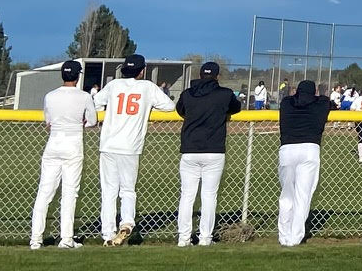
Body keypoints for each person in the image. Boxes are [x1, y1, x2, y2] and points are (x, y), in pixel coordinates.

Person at [93, 54, 175, 246]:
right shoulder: (147, 87)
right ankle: (127, 222)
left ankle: (107, 233)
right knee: (128, 189)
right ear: (142, 71)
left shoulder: (114, 85)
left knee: (109, 191)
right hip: (130, 146)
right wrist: (148, 108)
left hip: (108, 144)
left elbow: (95, 103)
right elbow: (169, 106)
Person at [30, 60, 93, 249]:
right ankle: (66, 239)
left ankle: (36, 239)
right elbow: (92, 121)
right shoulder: (84, 96)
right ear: (78, 77)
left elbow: (48, 121)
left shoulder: (50, 96)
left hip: (53, 144)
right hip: (73, 145)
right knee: (69, 193)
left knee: (44, 192)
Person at [176, 61, 240, 247]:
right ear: (217, 76)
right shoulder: (224, 94)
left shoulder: (188, 93)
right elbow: (236, 107)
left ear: (200, 75)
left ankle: (183, 238)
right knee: (209, 196)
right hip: (214, 150)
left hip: (190, 150)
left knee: (187, 196)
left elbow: (180, 110)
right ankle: (205, 238)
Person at [276, 80, 332, 247]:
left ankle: (283, 236)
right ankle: (295, 237)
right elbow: (326, 101)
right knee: (303, 196)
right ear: (314, 92)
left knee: (287, 195)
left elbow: (291, 99)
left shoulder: (287, 103)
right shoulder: (321, 104)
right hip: (309, 149)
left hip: (287, 149)